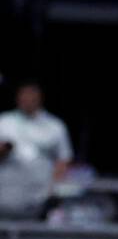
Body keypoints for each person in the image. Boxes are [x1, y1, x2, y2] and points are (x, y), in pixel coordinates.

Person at [0, 82, 73, 218]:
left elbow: (63, 159)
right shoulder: (3, 122)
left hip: (40, 197)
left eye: (31, 97)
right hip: (5, 196)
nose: (27, 100)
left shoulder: (54, 126)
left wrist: (54, 188)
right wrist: (4, 149)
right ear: (18, 98)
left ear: (39, 98)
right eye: (24, 96)